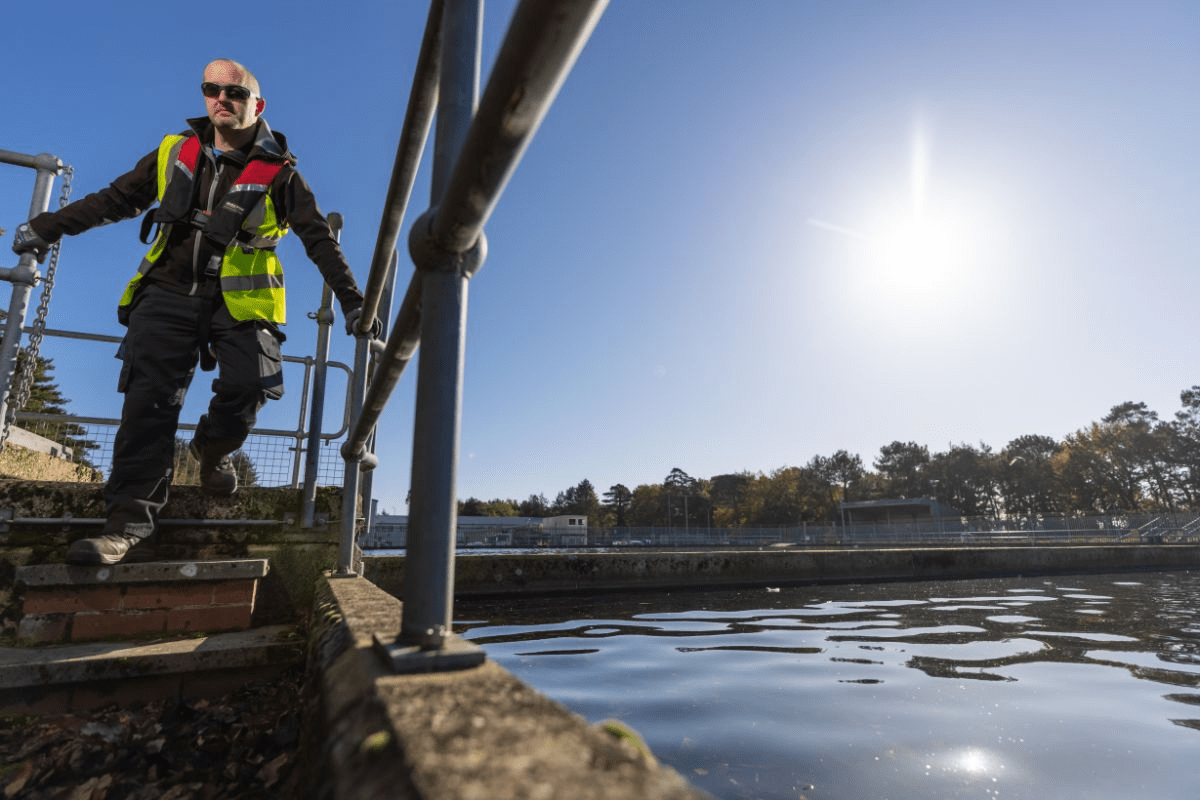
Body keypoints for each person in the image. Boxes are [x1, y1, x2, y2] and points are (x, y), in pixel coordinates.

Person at [10, 58, 379, 566]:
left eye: (235, 92)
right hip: (165, 293)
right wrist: (49, 226)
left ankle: (210, 448)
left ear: (258, 105)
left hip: (242, 302)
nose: (221, 98)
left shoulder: (282, 173)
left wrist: (355, 303)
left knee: (251, 384)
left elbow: (319, 239)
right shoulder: (172, 152)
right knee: (150, 405)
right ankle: (124, 528)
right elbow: (114, 200)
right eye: (212, 89)